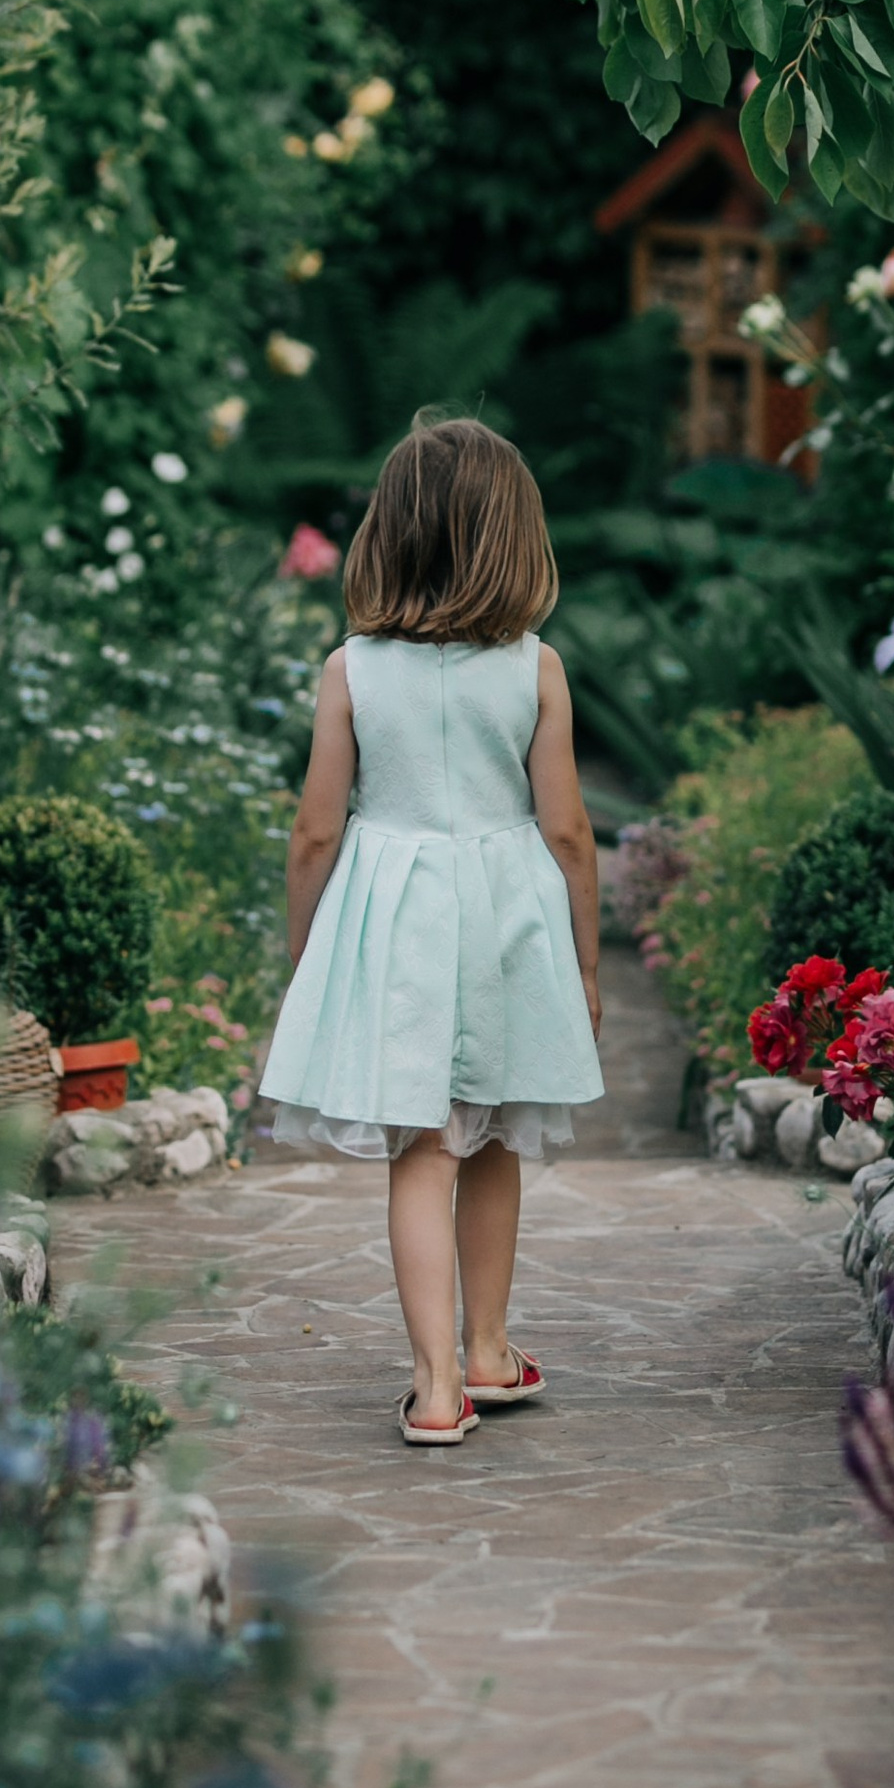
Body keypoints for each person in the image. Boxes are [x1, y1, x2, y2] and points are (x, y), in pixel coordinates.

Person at [260, 413, 604, 1445]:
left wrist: (303, 947)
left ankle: (439, 1382)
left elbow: (317, 830)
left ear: (388, 533)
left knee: (426, 1147)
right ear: (512, 537)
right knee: (490, 1134)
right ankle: (490, 1348)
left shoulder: (351, 671)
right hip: (503, 925)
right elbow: (570, 831)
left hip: (401, 926)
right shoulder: (535, 668)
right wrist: (584, 962)